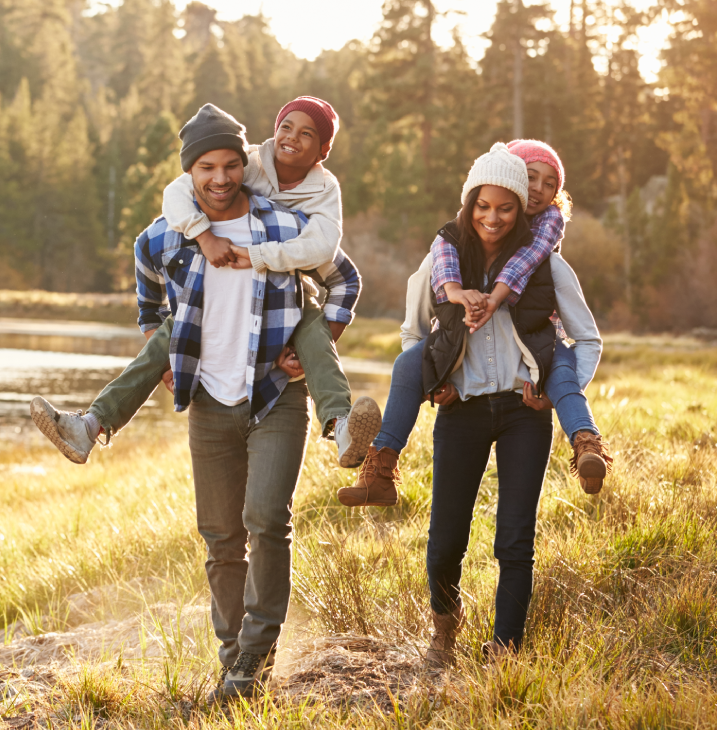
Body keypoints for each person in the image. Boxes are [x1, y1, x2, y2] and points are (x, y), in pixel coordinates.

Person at [70, 106, 361, 698]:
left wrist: (318, 340)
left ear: (244, 166)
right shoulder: (164, 234)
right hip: (207, 399)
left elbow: (344, 277)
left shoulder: (282, 227)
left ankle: (255, 657)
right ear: (190, 174)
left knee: (266, 522)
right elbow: (147, 290)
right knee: (221, 537)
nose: (221, 178)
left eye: (232, 165)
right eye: (207, 167)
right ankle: (233, 660)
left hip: (275, 394)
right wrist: (164, 357)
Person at [29, 98, 379, 470]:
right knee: (169, 333)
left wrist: (307, 345)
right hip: (211, 301)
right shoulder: (249, 162)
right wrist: (203, 236)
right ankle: (90, 426)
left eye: (307, 133)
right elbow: (177, 194)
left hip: (289, 296)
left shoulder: (322, 192)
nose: (221, 177)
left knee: (312, 331)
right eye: (286, 127)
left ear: (324, 150)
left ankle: (341, 426)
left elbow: (329, 253)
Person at [394, 143, 601, 666]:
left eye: (507, 206)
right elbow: (412, 332)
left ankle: (506, 647)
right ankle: (445, 627)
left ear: (519, 210)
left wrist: (554, 392)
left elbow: (588, 340)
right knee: (445, 538)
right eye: (485, 205)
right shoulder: (444, 261)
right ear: (472, 203)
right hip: (461, 411)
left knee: (515, 539)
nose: (495, 215)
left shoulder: (548, 266)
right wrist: (435, 380)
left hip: (521, 415)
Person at [337, 139, 612, 508]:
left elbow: (534, 270)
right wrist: (436, 380)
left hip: (535, 357)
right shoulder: (449, 244)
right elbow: (416, 321)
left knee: (561, 368)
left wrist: (495, 298)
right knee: (406, 364)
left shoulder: (544, 245)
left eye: (550, 184)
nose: (539, 190)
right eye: (531, 178)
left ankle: (586, 443)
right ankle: (381, 467)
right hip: (462, 382)